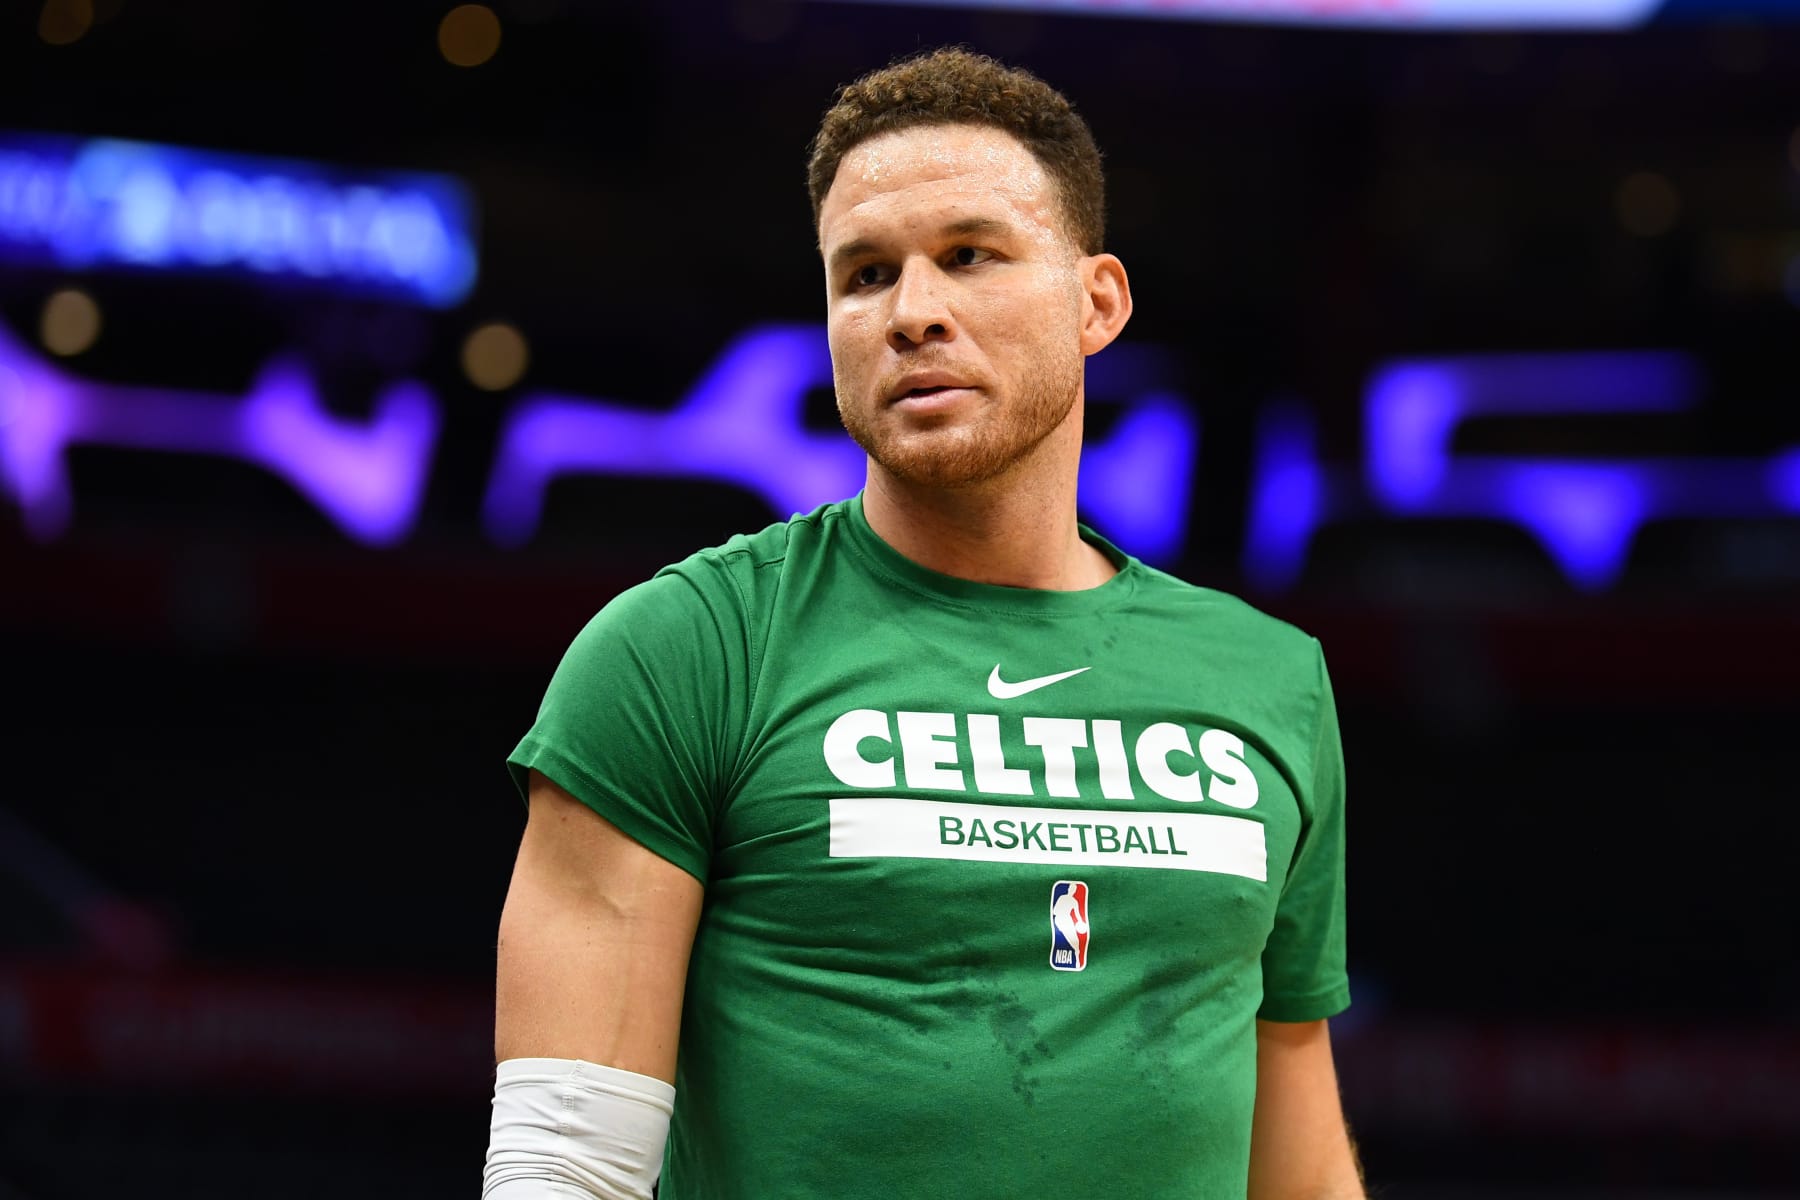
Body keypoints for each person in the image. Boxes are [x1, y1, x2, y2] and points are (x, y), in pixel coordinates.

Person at [484, 46, 1363, 1200]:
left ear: (1096, 301)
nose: (911, 314)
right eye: (863, 276)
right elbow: (565, 1172)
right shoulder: (681, 649)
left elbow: (1295, 1163)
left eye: (969, 257)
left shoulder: (1270, 679)